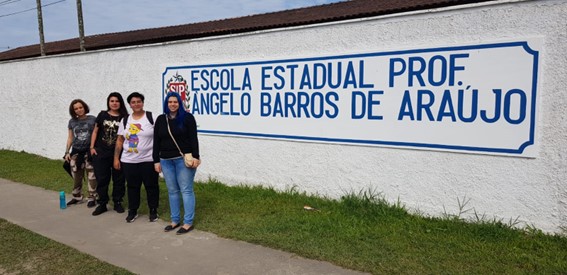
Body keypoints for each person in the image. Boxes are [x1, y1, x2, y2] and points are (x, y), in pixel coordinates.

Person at [153, 92, 201, 235]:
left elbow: (193, 138)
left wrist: (196, 157)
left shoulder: (187, 118)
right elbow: (156, 141)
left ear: (180, 103)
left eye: (175, 102)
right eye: (170, 102)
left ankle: (188, 222)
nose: (172, 104)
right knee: (172, 191)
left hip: (182, 160)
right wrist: (156, 160)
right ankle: (175, 220)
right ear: (166, 104)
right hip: (165, 160)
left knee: (186, 190)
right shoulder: (161, 119)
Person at [114, 92, 159, 223]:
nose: (136, 104)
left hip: (148, 159)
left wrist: (159, 158)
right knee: (132, 186)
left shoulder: (151, 117)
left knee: (151, 186)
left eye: (139, 101)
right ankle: (132, 211)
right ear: (130, 104)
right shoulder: (125, 120)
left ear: (143, 103)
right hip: (129, 160)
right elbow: (120, 140)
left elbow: (160, 137)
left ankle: (153, 210)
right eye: (133, 102)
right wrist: (116, 158)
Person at [90, 92, 128, 216]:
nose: (114, 103)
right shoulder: (102, 115)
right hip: (101, 152)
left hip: (119, 153)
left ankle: (117, 201)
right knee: (102, 179)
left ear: (120, 102)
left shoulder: (125, 117)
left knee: (119, 179)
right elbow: (95, 131)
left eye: (117, 101)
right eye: (112, 101)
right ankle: (102, 204)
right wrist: (92, 147)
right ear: (108, 102)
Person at [64, 99, 97, 207]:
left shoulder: (93, 120)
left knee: (91, 176)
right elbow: (70, 137)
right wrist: (67, 152)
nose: (79, 110)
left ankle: (92, 197)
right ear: (73, 111)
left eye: (80, 107)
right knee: (76, 176)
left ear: (84, 107)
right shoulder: (72, 121)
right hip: (76, 152)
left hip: (89, 152)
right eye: (76, 109)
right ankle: (77, 196)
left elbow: (97, 134)